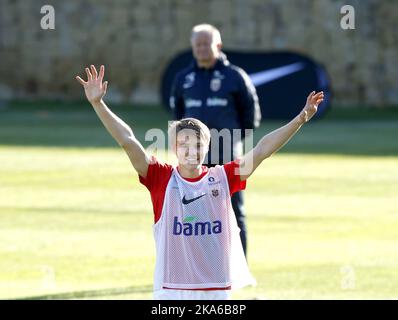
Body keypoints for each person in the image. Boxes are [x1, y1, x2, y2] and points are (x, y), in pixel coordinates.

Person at [76, 64, 324, 300]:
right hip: (171, 288)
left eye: (197, 145)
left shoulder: (223, 178)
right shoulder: (160, 178)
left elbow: (261, 150)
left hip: (216, 288)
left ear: (207, 147)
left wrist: (300, 119)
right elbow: (128, 140)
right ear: (174, 148)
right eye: (183, 144)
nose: (190, 150)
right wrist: (98, 104)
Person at [170, 24, 261, 257]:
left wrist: (230, 143)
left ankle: (239, 266)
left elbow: (251, 117)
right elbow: (177, 117)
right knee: (195, 213)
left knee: (231, 210)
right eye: (197, 44)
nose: (201, 48)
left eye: (206, 44)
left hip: (227, 156)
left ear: (218, 46)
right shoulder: (183, 78)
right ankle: (201, 267)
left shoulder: (235, 77)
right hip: (192, 160)